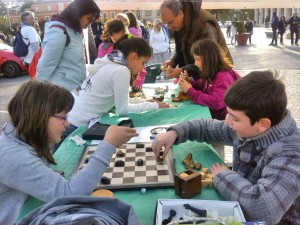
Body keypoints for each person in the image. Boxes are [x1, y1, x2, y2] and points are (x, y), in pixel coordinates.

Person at [152, 70, 300, 225]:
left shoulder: (291, 153)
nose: (227, 120)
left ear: (263, 124)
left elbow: (262, 210)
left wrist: (223, 175)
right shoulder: (248, 128)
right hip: (238, 206)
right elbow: (206, 128)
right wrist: (175, 132)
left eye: (234, 118)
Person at [0, 80, 138, 225]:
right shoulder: (13, 156)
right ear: (41, 116)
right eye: (63, 117)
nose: (67, 123)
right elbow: (70, 194)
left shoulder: (28, 136)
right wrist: (108, 145)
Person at [66, 35, 170, 136]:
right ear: (134, 56)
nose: (143, 68)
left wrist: (146, 102)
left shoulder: (113, 62)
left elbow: (120, 102)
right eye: (143, 62)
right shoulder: (122, 71)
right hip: (75, 124)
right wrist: (154, 106)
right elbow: (123, 110)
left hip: (71, 116)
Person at [36, 0, 100, 92]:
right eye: (89, 18)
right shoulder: (58, 31)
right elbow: (46, 65)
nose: (90, 22)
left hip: (74, 89)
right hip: (61, 92)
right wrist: (39, 93)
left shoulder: (74, 29)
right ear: (77, 14)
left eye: (93, 20)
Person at [159, 0, 232, 79]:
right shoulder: (179, 25)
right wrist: (172, 61)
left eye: (170, 22)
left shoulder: (204, 22)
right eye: (166, 24)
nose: (169, 27)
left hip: (217, 75)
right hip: (199, 74)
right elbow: (180, 49)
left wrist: (182, 70)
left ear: (180, 13)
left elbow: (208, 58)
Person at [178, 39, 240, 120]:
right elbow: (203, 85)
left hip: (224, 121)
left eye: (198, 59)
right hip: (215, 116)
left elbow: (217, 102)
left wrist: (190, 91)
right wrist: (189, 83)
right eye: (195, 59)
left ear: (209, 59)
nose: (195, 63)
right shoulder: (211, 72)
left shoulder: (223, 76)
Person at [98, 19, 145, 91]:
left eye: (121, 38)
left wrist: (138, 82)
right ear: (109, 36)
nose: (119, 42)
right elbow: (100, 67)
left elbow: (141, 65)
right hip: (110, 85)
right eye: (115, 39)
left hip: (130, 84)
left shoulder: (131, 44)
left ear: (124, 33)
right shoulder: (104, 47)